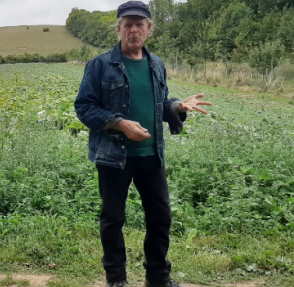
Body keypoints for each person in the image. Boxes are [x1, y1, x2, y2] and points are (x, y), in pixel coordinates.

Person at [74, 1, 212, 287]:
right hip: (114, 157)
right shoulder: (100, 65)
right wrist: (119, 123)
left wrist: (177, 107)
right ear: (119, 28)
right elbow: (84, 108)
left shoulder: (156, 64)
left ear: (149, 29)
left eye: (140, 24)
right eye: (128, 24)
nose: (134, 29)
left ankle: (158, 278)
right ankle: (117, 280)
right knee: (113, 219)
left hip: (152, 156)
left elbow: (159, 105)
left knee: (161, 217)